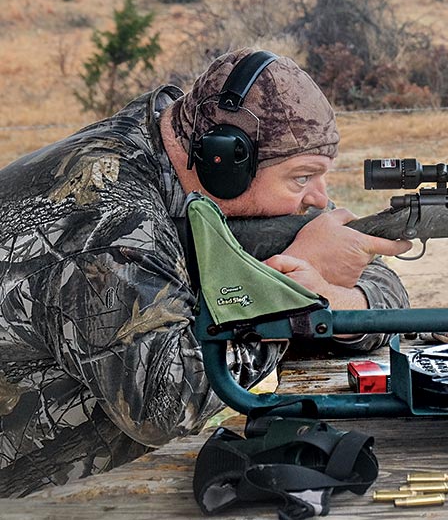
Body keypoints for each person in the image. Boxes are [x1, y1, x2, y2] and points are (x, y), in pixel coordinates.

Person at [0, 48, 411, 497]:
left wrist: (343, 301)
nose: (317, 199)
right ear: (225, 162)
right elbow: (166, 402)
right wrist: (288, 294)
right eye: (300, 178)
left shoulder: (181, 146)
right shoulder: (107, 219)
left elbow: (380, 284)